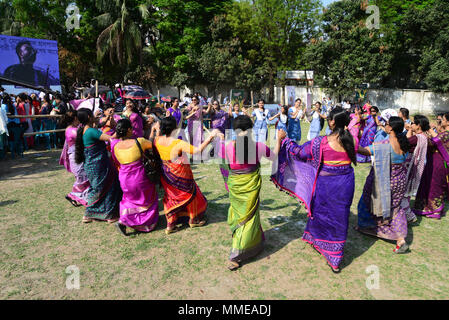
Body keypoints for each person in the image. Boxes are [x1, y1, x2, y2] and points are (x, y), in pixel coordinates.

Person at [272, 107, 357, 273]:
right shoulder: (350, 139)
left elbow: (299, 152)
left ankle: (326, 246)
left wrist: (286, 140)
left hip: (327, 184)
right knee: (340, 216)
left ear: (331, 122)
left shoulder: (321, 142)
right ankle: (335, 254)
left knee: (322, 212)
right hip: (346, 182)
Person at [218, 115, 275, 271]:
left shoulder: (226, 147)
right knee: (249, 217)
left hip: (235, 188)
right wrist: (281, 139)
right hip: (252, 187)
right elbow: (274, 157)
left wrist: (221, 140)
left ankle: (252, 241)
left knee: (241, 217)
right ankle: (236, 254)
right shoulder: (258, 147)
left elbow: (224, 165)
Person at [154, 116, 220, 234]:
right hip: (181, 173)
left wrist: (155, 129)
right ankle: (193, 220)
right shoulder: (178, 143)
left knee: (171, 197)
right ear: (174, 128)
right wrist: (209, 138)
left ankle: (170, 225)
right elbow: (197, 150)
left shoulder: (157, 140)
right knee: (190, 194)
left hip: (167, 173)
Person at [356, 117, 411, 254]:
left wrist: (353, 143)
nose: (384, 126)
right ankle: (401, 240)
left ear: (391, 128)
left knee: (368, 201)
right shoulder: (404, 143)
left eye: (386, 124)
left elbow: (364, 151)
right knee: (395, 209)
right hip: (400, 180)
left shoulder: (384, 144)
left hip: (384, 181)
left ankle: (368, 226)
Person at [111, 119, 160, 235]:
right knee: (146, 199)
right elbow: (153, 145)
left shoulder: (114, 145)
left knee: (129, 200)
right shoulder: (139, 141)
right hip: (140, 177)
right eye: (131, 128)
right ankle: (146, 223)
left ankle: (123, 220)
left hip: (124, 178)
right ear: (128, 130)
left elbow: (116, 162)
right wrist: (154, 130)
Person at [75, 108, 121, 224]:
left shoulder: (84, 129)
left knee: (96, 188)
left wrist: (107, 119)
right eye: (93, 115)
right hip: (99, 166)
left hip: (91, 166)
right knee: (109, 186)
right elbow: (111, 138)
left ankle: (89, 214)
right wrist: (121, 129)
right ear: (89, 117)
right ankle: (110, 215)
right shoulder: (91, 131)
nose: (96, 116)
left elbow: (99, 125)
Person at [413, 113, 449, 219]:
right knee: (428, 183)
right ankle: (424, 207)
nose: (440, 121)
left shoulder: (446, 134)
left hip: (439, 163)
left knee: (435, 186)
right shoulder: (443, 133)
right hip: (433, 161)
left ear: (447, 122)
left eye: (442, 120)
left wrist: (429, 129)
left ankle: (435, 210)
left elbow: (437, 141)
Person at [401, 115, 430, 223]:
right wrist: (409, 129)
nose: (411, 124)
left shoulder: (417, 138)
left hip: (410, 166)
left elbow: (405, 142)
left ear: (418, 126)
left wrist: (408, 130)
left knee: (403, 191)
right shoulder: (423, 136)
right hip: (414, 167)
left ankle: (409, 215)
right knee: (406, 192)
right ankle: (406, 214)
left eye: (413, 123)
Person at [59, 110, 90, 207]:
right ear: (75, 118)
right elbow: (84, 136)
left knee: (83, 178)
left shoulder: (72, 128)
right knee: (82, 179)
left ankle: (75, 196)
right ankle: (74, 195)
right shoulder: (72, 130)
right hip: (76, 158)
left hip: (77, 156)